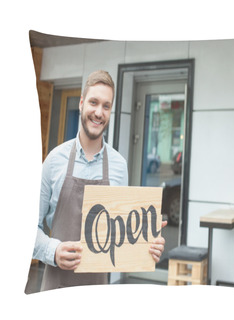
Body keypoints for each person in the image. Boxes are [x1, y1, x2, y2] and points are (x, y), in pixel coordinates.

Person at [32, 70, 166, 291]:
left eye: (106, 106)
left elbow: (121, 237)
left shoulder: (119, 166)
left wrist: (148, 243)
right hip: (55, 289)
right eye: (93, 102)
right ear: (82, 103)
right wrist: (53, 251)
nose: (98, 112)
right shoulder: (54, 161)